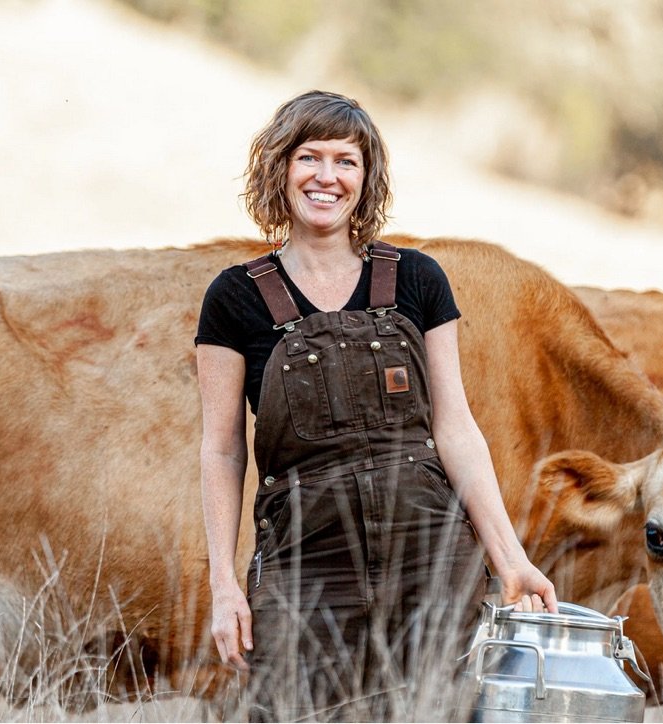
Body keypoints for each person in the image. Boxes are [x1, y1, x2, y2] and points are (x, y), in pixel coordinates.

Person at [195, 90, 556, 720]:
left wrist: (511, 559)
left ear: (367, 178)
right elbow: (222, 449)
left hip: (430, 557)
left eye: (347, 161)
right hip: (305, 563)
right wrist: (224, 586)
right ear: (280, 169)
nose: (327, 177)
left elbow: (456, 427)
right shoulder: (234, 298)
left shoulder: (417, 279)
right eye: (310, 158)